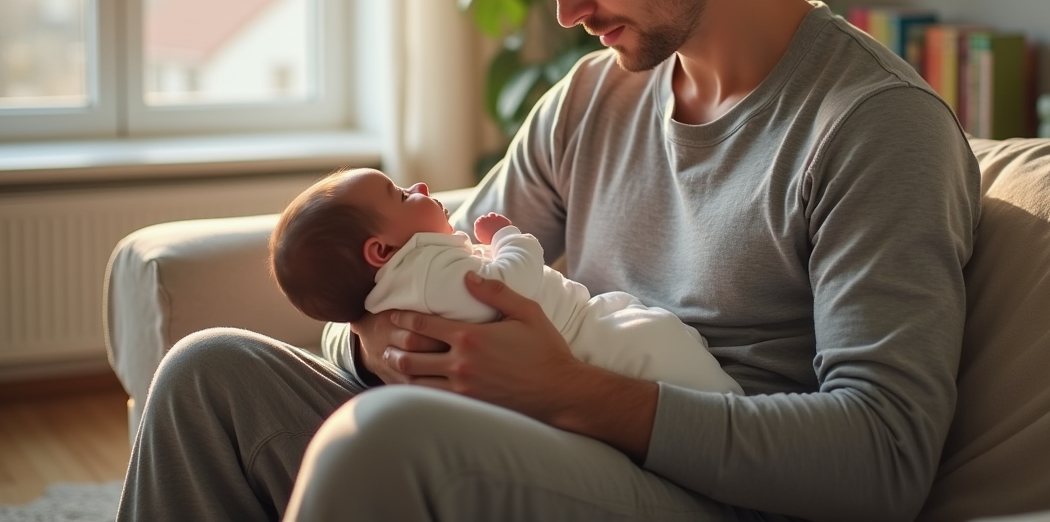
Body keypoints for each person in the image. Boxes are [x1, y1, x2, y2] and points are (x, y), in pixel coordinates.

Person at [116, 0, 979, 522]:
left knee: (385, 441)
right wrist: (378, 342)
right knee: (206, 375)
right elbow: (421, 269)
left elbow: (884, 458)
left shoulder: (874, 129)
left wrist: (576, 393)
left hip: (707, 490)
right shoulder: (592, 101)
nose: (565, 10)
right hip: (557, 445)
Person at [269, 167, 743, 395]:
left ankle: (723, 408)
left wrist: (367, 322)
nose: (421, 188)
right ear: (381, 251)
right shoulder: (580, 104)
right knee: (213, 360)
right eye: (401, 193)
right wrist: (367, 343)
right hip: (578, 355)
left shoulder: (412, 266)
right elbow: (503, 277)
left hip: (668, 431)